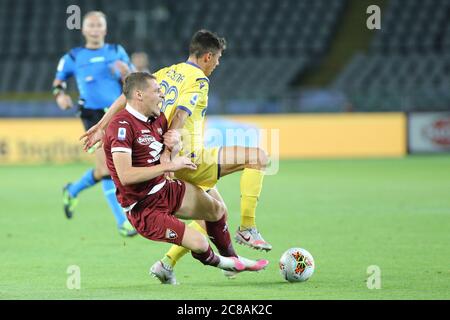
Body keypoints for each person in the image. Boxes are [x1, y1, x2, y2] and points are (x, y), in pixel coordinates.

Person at [81, 30, 271, 284]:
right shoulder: (199, 80)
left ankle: (167, 264)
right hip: (188, 156)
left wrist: (102, 124)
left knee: (211, 211)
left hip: (170, 159)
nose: (217, 64)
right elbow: (181, 114)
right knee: (257, 157)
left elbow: (126, 95)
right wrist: (169, 154)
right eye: (217, 58)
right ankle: (247, 228)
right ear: (207, 56)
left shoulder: (166, 72)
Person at [52, 11, 137, 236]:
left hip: (118, 114)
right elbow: (58, 83)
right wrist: (60, 96)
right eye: (91, 25)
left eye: (99, 25)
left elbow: (136, 80)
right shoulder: (73, 56)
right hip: (92, 116)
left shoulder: (116, 51)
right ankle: (123, 223)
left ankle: (72, 190)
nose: (95, 29)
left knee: (108, 168)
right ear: (84, 29)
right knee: (108, 169)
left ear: (105, 29)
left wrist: (126, 72)